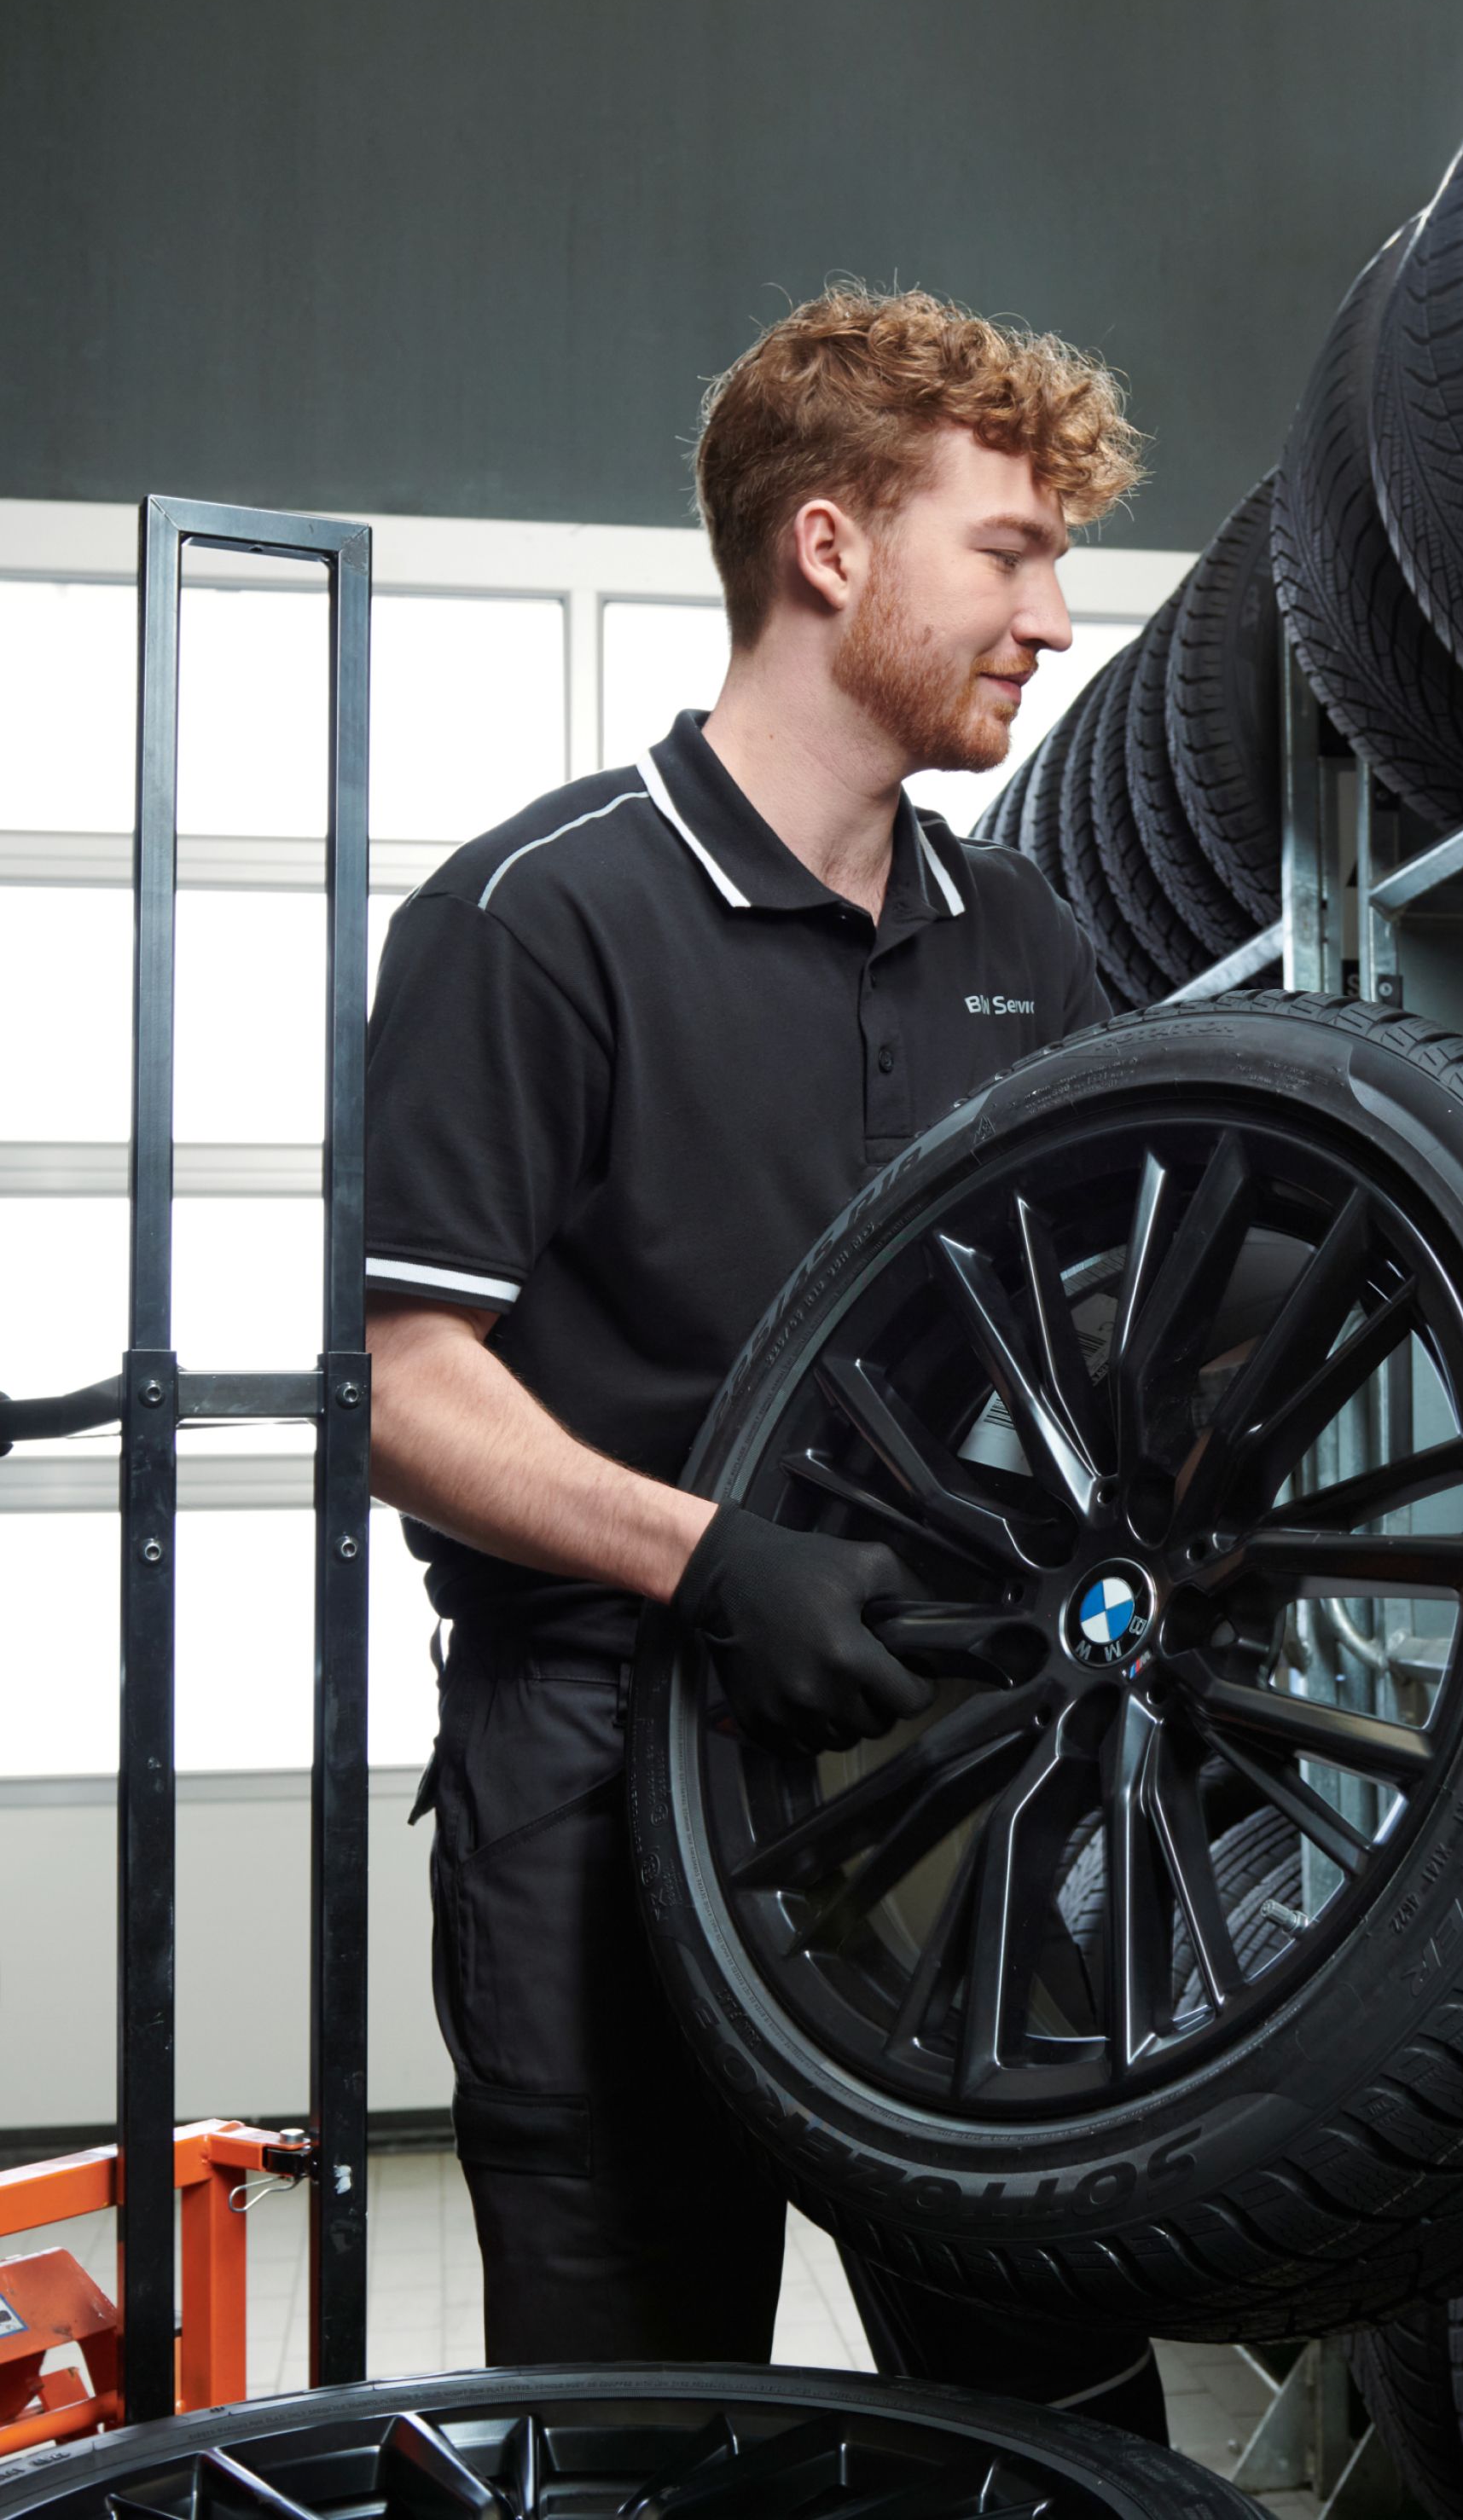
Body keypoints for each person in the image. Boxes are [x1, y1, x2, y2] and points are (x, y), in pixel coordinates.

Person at [363, 287, 1167, 2434]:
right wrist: (714, 1563)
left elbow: (1093, 1324)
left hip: (948, 1755)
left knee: (1052, 2400)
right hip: (606, 1762)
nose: (1055, 615)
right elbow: (410, 1388)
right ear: (830, 548)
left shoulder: (1030, 949)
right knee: (641, 2430)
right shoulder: (538, 917)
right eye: (1007, 552)